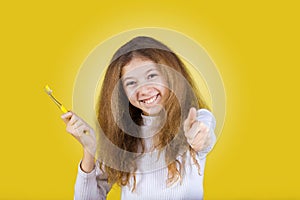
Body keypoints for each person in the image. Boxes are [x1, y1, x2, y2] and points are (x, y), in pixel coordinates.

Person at [61, 36, 216, 200]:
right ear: (122, 93)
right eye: (131, 83)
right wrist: (89, 150)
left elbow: (204, 136)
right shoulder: (121, 139)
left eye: (151, 76)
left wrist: (199, 139)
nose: (144, 89)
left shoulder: (197, 119)